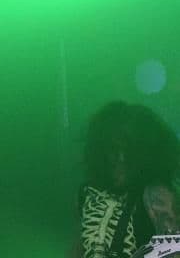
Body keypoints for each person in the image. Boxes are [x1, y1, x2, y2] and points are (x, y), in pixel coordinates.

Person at [77, 101, 180, 258]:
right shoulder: (90, 193)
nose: (121, 158)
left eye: (129, 151)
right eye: (113, 149)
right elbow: (80, 246)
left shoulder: (157, 196)